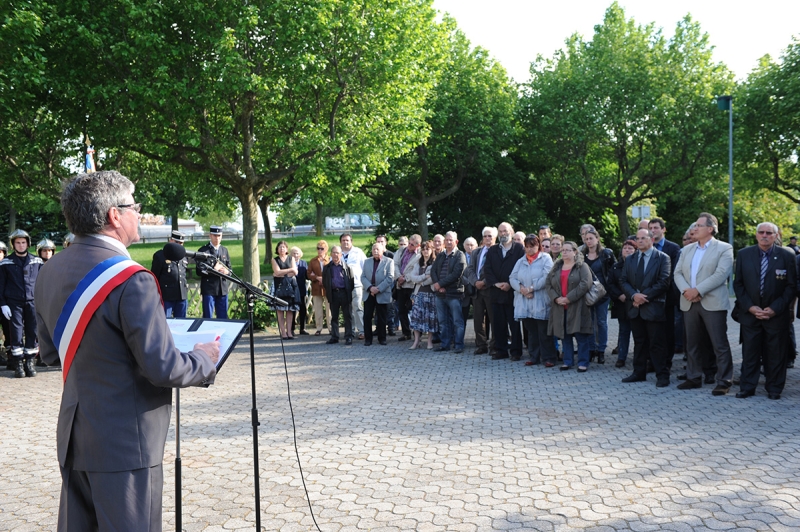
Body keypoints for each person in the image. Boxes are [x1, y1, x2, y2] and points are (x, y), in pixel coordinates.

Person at [34, 170, 219, 531]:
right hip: (126, 444)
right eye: (134, 206)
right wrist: (202, 358)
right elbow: (164, 368)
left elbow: (51, 354)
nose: (138, 213)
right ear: (113, 215)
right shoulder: (132, 279)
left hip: (75, 436)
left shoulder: (49, 270)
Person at [674, 213, 735, 395]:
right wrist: (687, 291)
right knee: (691, 343)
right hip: (688, 301)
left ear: (710, 229)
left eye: (699, 226)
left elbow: (721, 274)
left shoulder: (724, 248)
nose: (694, 229)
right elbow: (677, 273)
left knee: (719, 343)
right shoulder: (687, 250)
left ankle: (724, 380)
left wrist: (698, 290)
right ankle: (693, 377)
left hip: (712, 302)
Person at [733, 222, 796, 400]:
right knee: (750, 353)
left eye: (769, 233)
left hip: (776, 315)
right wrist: (750, 307)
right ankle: (747, 387)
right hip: (750, 314)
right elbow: (738, 284)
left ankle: (774, 388)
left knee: (775, 354)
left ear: (776, 236)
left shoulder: (786, 255)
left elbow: (792, 286)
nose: (765, 235)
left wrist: (774, 309)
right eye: (761, 232)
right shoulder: (744, 254)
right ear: (756, 235)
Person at [619, 229, 672, 387]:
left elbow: (664, 282)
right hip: (635, 307)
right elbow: (623, 281)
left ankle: (662, 375)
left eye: (643, 238)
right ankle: (639, 372)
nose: (640, 241)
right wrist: (634, 295)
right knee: (639, 342)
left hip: (653, 307)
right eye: (637, 238)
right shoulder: (630, 259)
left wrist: (643, 297)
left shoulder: (663, 258)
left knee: (657, 343)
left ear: (652, 239)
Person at [0, 229, 45, 378]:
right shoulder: (6, 263)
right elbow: (1, 285)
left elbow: (43, 284)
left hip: (33, 302)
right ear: (13, 245)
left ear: (28, 243)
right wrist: (3, 304)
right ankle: (18, 362)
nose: (21, 245)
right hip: (14, 303)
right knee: (16, 332)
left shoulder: (36, 261)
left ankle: (29, 362)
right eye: (18, 243)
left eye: (23, 242)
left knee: (32, 331)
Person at [509, 234, 557, 367]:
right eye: (527, 247)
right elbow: (512, 277)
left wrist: (531, 288)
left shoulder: (545, 258)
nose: (530, 249)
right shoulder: (521, 261)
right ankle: (534, 356)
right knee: (531, 332)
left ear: (539, 246)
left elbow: (547, 277)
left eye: (533, 246)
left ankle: (549, 358)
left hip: (540, 299)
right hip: (524, 301)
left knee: (543, 332)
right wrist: (522, 289)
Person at [546, 241, 593, 371]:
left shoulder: (582, 266)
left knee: (580, 335)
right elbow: (548, 284)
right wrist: (556, 298)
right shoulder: (556, 266)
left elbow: (585, 284)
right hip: (560, 307)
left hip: (577, 306)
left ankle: (583, 362)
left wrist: (568, 298)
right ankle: (568, 361)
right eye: (563, 250)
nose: (564, 252)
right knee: (564, 336)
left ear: (575, 252)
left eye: (567, 250)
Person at [485, 222, 525, 360]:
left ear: (512, 232)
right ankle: (501, 350)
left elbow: (522, 269)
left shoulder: (519, 249)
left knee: (514, 324)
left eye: (506, 231)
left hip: (513, 292)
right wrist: (497, 284)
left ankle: (516, 352)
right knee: (498, 324)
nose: (503, 233)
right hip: (496, 292)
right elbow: (487, 270)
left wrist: (509, 284)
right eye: (501, 231)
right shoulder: (492, 250)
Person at [579, 228, 615, 363]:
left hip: (602, 294)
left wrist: (611, 289)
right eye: (586, 239)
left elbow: (613, 272)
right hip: (587, 295)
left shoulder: (606, 254)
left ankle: (601, 350)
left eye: (591, 238)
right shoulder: (582, 255)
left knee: (601, 322)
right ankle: (591, 349)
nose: (589, 241)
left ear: (597, 239)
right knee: (589, 323)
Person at [649, 218, 681, 365]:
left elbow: (673, 273)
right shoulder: (646, 248)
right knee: (652, 333)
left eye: (656, 228)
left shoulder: (673, 248)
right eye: (651, 228)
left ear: (663, 229)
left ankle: (667, 362)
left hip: (667, 297)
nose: (653, 231)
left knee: (668, 332)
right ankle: (653, 362)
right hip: (649, 298)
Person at [431, 231, 468, 353]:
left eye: (450, 240)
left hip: (454, 294)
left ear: (456, 241)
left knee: (457, 321)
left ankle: (458, 345)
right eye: (446, 240)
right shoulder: (441, 255)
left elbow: (457, 274)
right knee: (442, 321)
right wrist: (438, 285)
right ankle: (445, 344)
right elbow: (433, 271)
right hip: (440, 294)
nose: (448, 242)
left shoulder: (460, 255)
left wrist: (440, 284)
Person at [464, 226, 497, 355]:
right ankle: (481, 345)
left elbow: (497, 271)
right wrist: (475, 282)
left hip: (490, 289)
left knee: (494, 319)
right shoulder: (477, 252)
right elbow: (470, 269)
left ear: (495, 238)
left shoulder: (497, 251)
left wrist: (484, 282)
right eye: (485, 236)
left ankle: (494, 345)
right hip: (477, 291)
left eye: (490, 236)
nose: (487, 238)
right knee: (478, 320)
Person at [607, 239, 637, 368]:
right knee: (623, 331)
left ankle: (638, 357)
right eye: (625, 248)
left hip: (636, 303)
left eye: (631, 248)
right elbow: (610, 284)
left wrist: (632, 295)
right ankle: (621, 357)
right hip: (621, 303)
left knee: (638, 332)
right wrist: (619, 295)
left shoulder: (638, 265)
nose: (627, 250)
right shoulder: (615, 267)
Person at [361, 243, 394, 346]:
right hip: (369, 292)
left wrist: (378, 289)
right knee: (367, 316)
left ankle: (382, 338)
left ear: (382, 251)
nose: (375, 251)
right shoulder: (367, 262)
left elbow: (390, 277)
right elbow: (363, 277)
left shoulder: (389, 262)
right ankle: (368, 339)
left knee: (382, 317)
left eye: (377, 249)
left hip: (382, 292)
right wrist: (371, 288)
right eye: (374, 249)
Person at [150, 230, 189, 318]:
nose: (179, 245)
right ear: (170, 241)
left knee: (182, 322)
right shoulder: (160, 255)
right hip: (167, 296)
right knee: (165, 322)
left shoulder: (184, 255)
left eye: (181, 243)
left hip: (181, 295)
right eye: (177, 242)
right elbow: (154, 276)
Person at [196, 226, 232, 319]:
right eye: (215, 236)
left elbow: (230, 269)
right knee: (208, 317)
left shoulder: (224, 250)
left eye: (219, 236)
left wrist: (227, 272)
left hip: (222, 289)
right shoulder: (203, 251)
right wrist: (214, 270)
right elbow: (199, 271)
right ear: (210, 236)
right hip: (209, 289)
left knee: (223, 317)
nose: (217, 238)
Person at [408, 241, 438, 350]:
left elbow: (433, 278)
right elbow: (413, 277)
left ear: (432, 250)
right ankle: (416, 341)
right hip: (418, 294)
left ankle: (429, 341)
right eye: (424, 249)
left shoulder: (434, 263)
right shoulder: (418, 263)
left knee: (430, 318)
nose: (425, 251)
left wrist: (422, 281)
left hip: (430, 295)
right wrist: (424, 276)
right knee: (416, 318)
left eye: (428, 249)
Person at [322, 245, 355, 345]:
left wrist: (347, 292)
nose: (335, 255)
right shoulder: (327, 268)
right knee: (334, 317)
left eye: (338, 253)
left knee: (347, 316)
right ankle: (335, 336)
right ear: (331, 254)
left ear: (341, 255)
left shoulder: (347, 267)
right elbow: (325, 282)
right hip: (333, 294)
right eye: (334, 253)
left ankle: (349, 336)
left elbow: (351, 282)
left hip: (344, 293)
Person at [270, 241, 300, 340]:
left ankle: (289, 331)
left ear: (287, 249)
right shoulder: (274, 260)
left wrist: (282, 273)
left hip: (290, 287)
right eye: (280, 247)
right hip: (279, 286)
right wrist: (289, 270)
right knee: (280, 310)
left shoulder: (291, 258)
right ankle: (283, 332)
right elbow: (276, 272)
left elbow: (295, 272)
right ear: (277, 249)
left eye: (283, 247)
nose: (282, 249)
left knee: (290, 310)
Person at [394, 234, 421, 341]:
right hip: (400, 285)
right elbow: (395, 264)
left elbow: (416, 270)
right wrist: (398, 277)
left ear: (418, 245)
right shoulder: (401, 251)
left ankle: (417, 333)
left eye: (412, 244)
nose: (409, 245)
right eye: (409, 243)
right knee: (401, 310)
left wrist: (405, 278)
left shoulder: (419, 255)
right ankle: (406, 333)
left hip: (411, 285)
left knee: (414, 310)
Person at [340, 233, 367, 339]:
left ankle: (362, 330)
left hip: (356, 284)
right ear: (340, 242)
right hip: (343, 286)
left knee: (357, 307)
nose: (345, 242)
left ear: (351, 241)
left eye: (347, 240)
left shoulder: (358, 252)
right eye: (343, 240)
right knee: (347, 309)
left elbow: (365, 267)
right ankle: (350, 331)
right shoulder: (337, 253)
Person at [307, 240, 332, 336]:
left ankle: (331, 328)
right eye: (318, 248)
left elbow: (332, 273)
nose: (320, 250)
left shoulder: (329, 260)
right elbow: (309, 273)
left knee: (329, 309)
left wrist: (324, 279)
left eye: (322, 248)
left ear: (326, 249)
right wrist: (317, 277)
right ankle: (319, 328)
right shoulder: (313, 261)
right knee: (317, 309)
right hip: (316, 287)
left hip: (328, 287)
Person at [290, 246, 309, 336]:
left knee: (303, 309)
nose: (296, 255)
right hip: (292, 289)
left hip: (301, 288)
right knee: (292, 309)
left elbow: (307, 275)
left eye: (297, 253)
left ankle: (303, 328)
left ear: (300, 254)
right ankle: (291, 328)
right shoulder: (289, 263)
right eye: (294, 253)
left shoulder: (304, 263)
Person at [461, 236, 479, 326]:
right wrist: (467, 282)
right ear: (464, 246)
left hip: (477, 290)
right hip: (464, 292)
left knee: (479, 317)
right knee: (462, 317)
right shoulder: (460, 256)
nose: (469, 247)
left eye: (472, 245)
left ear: (476, 246)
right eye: (467, 245)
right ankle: (460, 339)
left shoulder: (479, 257)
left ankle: (482, 338)